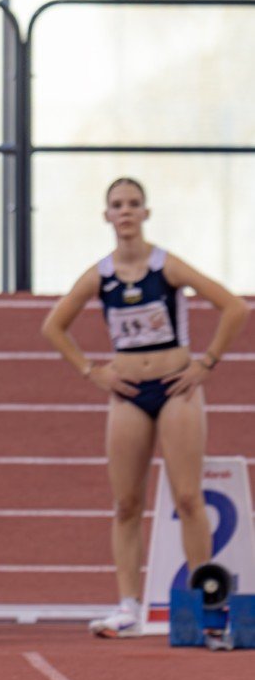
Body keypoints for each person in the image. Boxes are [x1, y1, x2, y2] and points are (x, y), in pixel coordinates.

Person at [42, 177, 248, 638]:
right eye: (118, 205)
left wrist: (206, 363)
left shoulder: (166, 266)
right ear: (107, 216)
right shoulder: (101, 275)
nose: (127, 211)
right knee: (126, 503)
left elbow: (233, 307)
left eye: (134, 204)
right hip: (130, 395)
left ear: (146, 213)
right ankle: (128, 607)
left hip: (176, 389)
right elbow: (54, 326)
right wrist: (92, 371)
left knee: (189, 497)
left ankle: (206, 605)